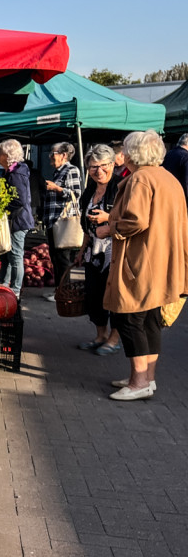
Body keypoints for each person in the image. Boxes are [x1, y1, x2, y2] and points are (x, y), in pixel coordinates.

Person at [101, 130, 188, 401]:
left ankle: (139, 382)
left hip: (142, 260)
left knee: (130, 319)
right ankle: (146, 379)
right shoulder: (168, 178)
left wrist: (110, 228)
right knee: (151, 320)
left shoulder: (140, 178)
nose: (122, 154)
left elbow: (136, 220)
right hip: (164, 260)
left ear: (133, 154)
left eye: (125, 149)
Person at [73, 145, 122, 356]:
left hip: (115, 251)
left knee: (113, 296)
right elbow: (86, 227)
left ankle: (114, 339)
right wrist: (81, 250)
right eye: (93, 167)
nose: (98, 171)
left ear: (112, 164)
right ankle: (101, 335)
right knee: (94, 295)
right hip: (93, 251)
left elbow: (131, 220)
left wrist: (107, 219)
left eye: (103, 166)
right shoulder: (89, 190)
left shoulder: (120, 187)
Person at [42, 142, 83, 299]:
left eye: (53, 153)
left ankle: (67, 292)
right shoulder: (58, 172)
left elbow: (76, 193)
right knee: (56, 258)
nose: (50, 157)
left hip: (63, 222)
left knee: (63, 258)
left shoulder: (71, 170)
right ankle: (59, 290)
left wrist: (56, 189)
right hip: (54, 221)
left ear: (64, 155)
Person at [0, 139, 35, 299]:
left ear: (8, 155)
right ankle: (4, 284)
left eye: (0, 154)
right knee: (6, 253)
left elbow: (20, 200)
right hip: (12, 221)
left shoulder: (16, 173)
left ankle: (16, 290)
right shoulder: (11, 171)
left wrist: (2, 207)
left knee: (16, 256)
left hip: (18, 221)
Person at [161, 132, 188, 203]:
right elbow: (186, 182)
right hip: (180, 200)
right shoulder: (186, 158)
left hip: (165, 196)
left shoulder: (167, 155)